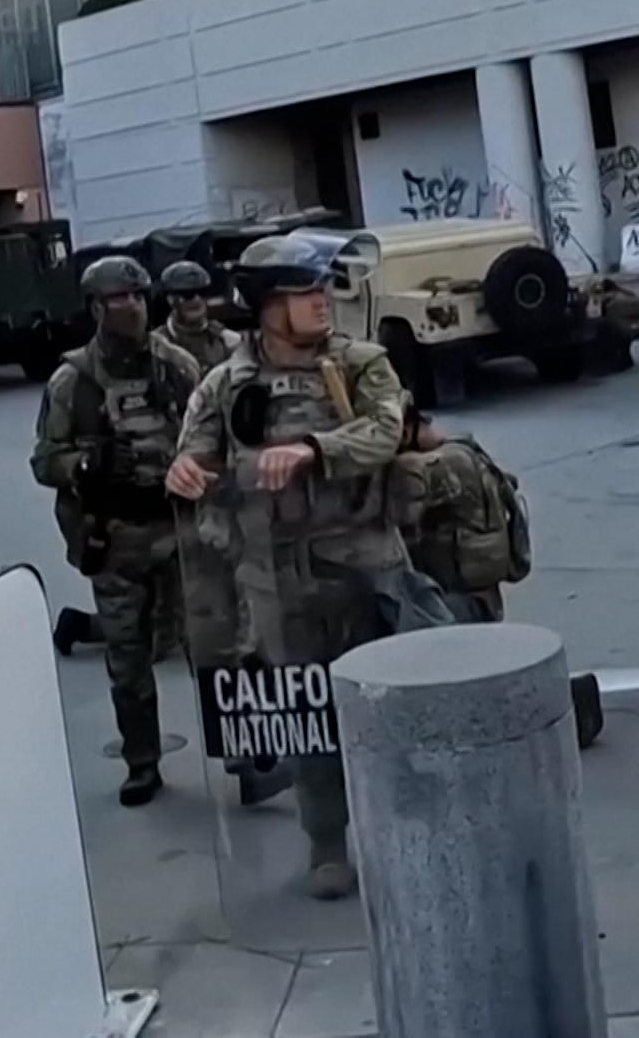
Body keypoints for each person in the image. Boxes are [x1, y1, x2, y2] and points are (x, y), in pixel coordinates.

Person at [167, 235, 413, 899]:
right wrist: (186, 470)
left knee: (386, 706)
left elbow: (387, 430)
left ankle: (403, 832)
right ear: (266, 304)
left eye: (322, 286)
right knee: (305, 712)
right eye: (304, 290)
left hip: (364, 565)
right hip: (275, 577)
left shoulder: (360, 363)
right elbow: (196, 450)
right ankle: (326, 842)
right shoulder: (225, 383)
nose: (321, 299)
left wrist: (313, 448)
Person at [34, 256, 203, 807]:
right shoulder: (73, 381)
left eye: (137, 296)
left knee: (213, 646)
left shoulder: (176, 365)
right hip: (116, 537)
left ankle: (244, 755)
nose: (132, 307)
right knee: (129, 661)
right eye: (118, 299)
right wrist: (89, 464)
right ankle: (142, 763)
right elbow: (44, 461)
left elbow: (211, 436)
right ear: (95, 308)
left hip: (181, 529)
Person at [391, 395, 526, 623]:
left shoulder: (436, 465)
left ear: (404, 433)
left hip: (458, 602)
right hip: (480, 595)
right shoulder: (462, 448)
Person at [154, 261, 240, 373]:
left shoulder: (228, 341)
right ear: (170, 299)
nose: (196, 299)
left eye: (202, 292)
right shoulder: (156, 345)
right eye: (188, 294)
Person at [584, 278, 639, 373]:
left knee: (601, 329)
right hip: (634, 328)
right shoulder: (627, 294)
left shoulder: (606, 298)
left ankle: (612, 363)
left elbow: (595, 316)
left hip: (620, 330)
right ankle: (626, 359)